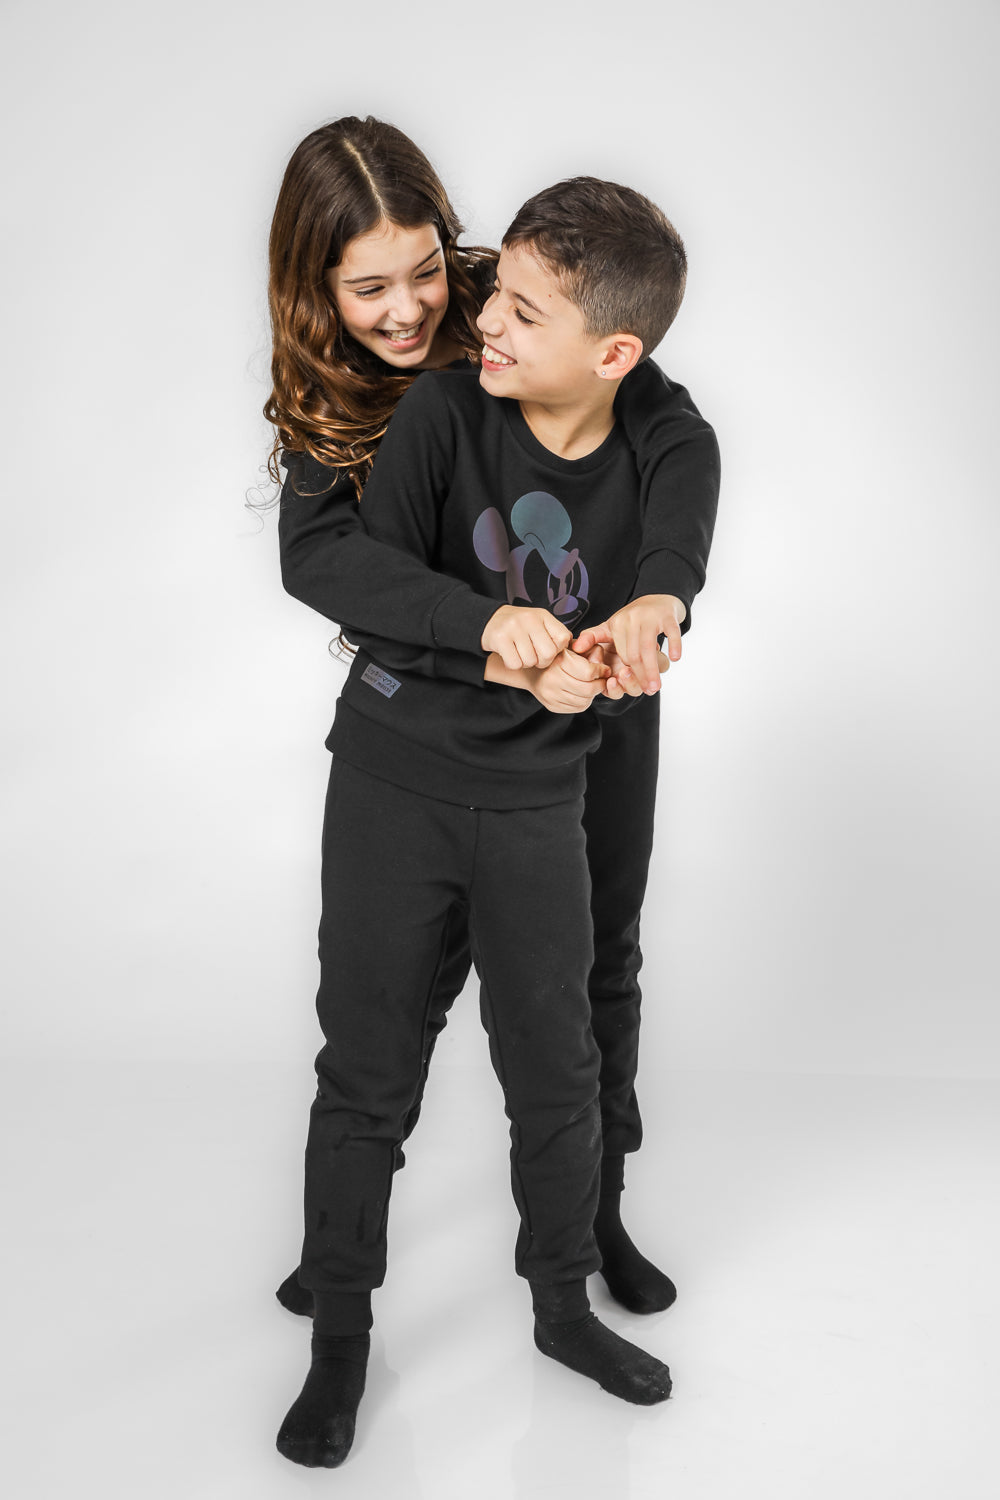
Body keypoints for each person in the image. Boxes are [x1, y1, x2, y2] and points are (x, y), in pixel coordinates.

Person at [269, 165, 718, 1468]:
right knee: (377, 1038)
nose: (444, 316)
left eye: (436, 275)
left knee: (583, 1000)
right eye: (371, 286)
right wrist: (493, 637)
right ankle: (341, 1296)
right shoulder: (439, 401)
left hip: (570, 756)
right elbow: (353, 568)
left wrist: (658, 602)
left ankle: (583, 1240)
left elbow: (670, 446)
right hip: (415, 754)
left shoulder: (555, 339)